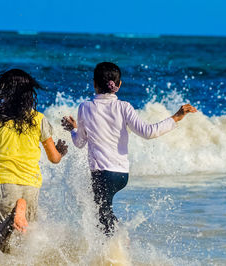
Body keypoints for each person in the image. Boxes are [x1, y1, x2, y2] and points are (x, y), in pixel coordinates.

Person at [62, 62, 196, 236]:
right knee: (103, 214)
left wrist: (73, 129)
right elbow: (149, 132)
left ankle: (118, 245)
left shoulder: (85, 107)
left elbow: (80, 143)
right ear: (119, 85)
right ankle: (116, 245)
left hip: (101, 175)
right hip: (121, 175)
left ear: (94, 83)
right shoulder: (124, 107)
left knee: (101, 217)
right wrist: (176, 117)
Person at [0, 69, 68, 252]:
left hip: (4, 186)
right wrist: (60, 151)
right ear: (29, 93)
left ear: (5, 92)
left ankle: (16, 209)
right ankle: (20, 207)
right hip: (31, 187)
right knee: (23, 248)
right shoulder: (39, 119)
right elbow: (54, 158)